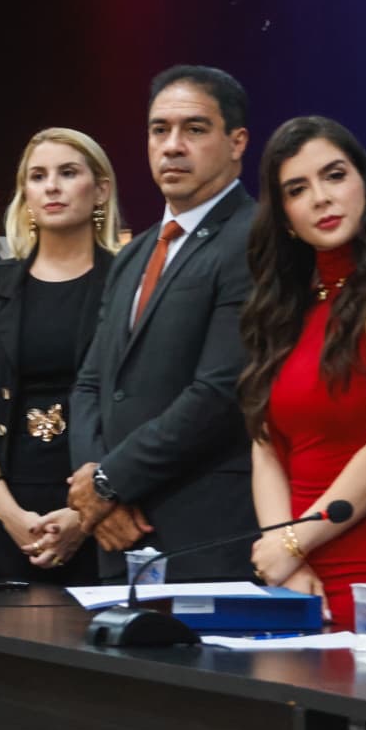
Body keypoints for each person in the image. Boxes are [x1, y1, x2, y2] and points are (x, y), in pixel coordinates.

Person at [239, 117, 366, 628]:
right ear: (285, 217)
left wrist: (293, 542)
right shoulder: (285, 310)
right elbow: (265, 447)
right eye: (297, 189)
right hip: (294, 572)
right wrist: (286, 555)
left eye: (334, 175)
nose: (321, 198)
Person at [69, 64, 257, 581]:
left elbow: (220, 391)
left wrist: (109, 483)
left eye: (194, 129)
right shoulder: (134, 254)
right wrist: (96, 491)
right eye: (159, 130)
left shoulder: (255, 238)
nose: (172, 146)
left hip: (204, 531)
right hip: (118, 535)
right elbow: (91, 384)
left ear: (237, 142)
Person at [0, 128, 120, 582]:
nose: (52, 187)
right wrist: (8, 514)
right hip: (5, 509)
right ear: (25, 194)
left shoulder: (128, 282)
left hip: (104, 512)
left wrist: (84, 515)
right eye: (38, 177)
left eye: (68, 173)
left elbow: (138, 407)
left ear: (101, 189)